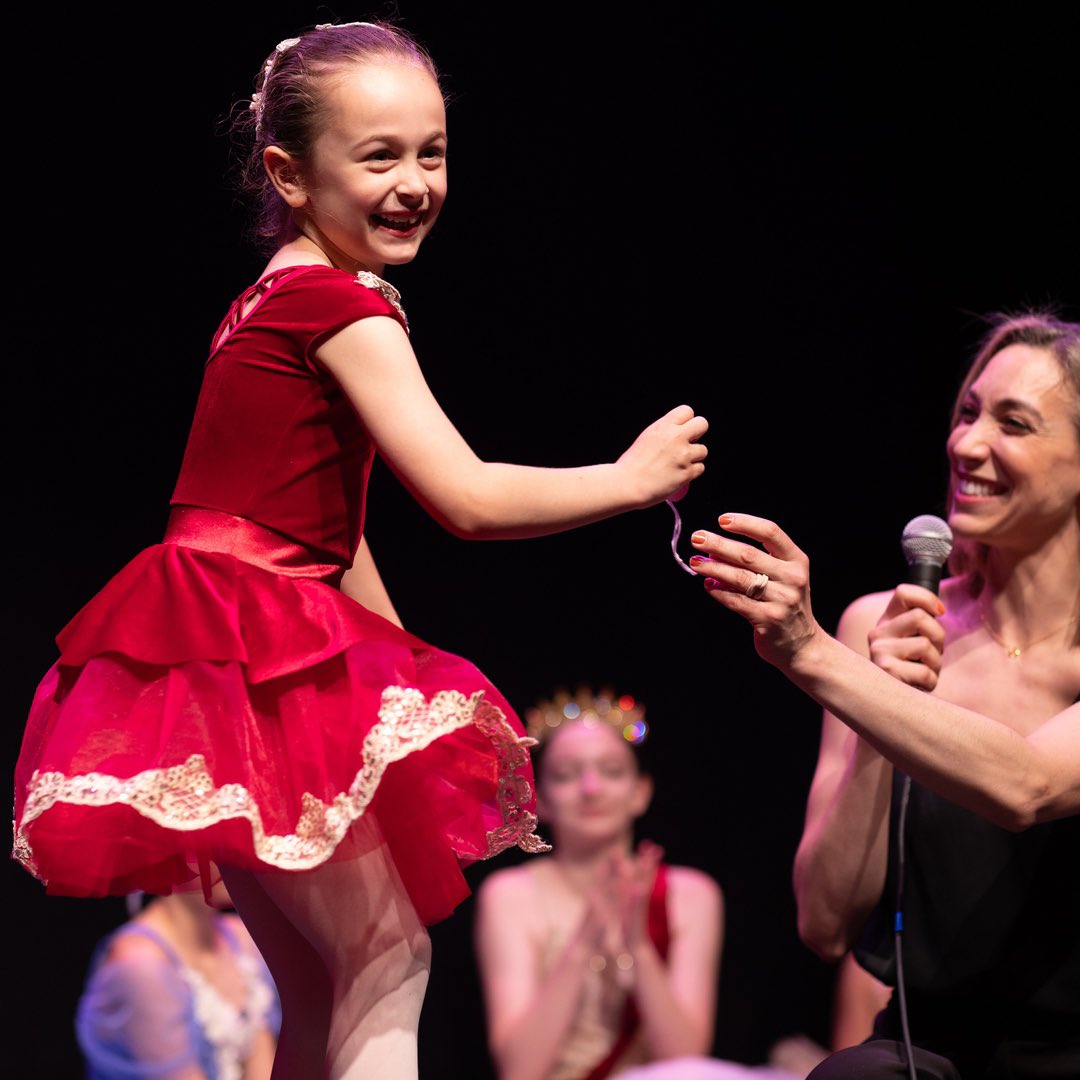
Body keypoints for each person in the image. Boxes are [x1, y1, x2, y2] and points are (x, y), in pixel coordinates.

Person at [11, 20, 707, 1080]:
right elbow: (466, 498)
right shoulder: (339, 307)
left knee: (316, 986)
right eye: (379, 157)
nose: (415, 182)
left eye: (431, 152)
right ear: (289, 174)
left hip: (230, 645)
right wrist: (628, 478)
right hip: (251, 653)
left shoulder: (268, 299)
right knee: (387, 956)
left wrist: (393, 682)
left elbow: (314, 530)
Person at [687, 311, 1080, 1077]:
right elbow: (825, 923)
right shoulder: (883, 623)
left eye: (1014, 424)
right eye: (966, 413)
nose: (967, 444)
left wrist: (812, 655)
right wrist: (881, 703)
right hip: (931, 1047)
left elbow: (1026, 786)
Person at [474, 685, 777, 1080]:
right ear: (541, 798)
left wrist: (639, 944)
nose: (590, 789)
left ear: (641, 792)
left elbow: (686, 1059)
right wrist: (584, 940)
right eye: (566, 775)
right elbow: (519, 1070)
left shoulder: (690, 894)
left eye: (611, 772)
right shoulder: (511, 895)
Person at [76, 884, 281, 1080]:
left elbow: (263, 1067)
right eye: (217, 848)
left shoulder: (242, 938)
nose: (237, 858)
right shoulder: (141, 967)